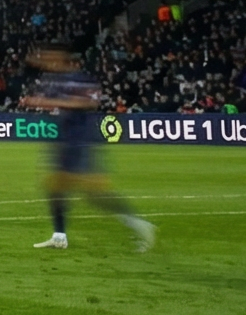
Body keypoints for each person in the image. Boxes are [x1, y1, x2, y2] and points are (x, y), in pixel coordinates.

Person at [24, 45, 153, 252]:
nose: (47, 61)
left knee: (95, 193)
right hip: (65, 140)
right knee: (55, 186)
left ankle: (140, 226)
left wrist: (47, 101)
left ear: (61, 58)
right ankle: (59, 236)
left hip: (80, 140)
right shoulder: (55, 80)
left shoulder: (80, 78)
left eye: (50, 57)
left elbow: (86, 103)